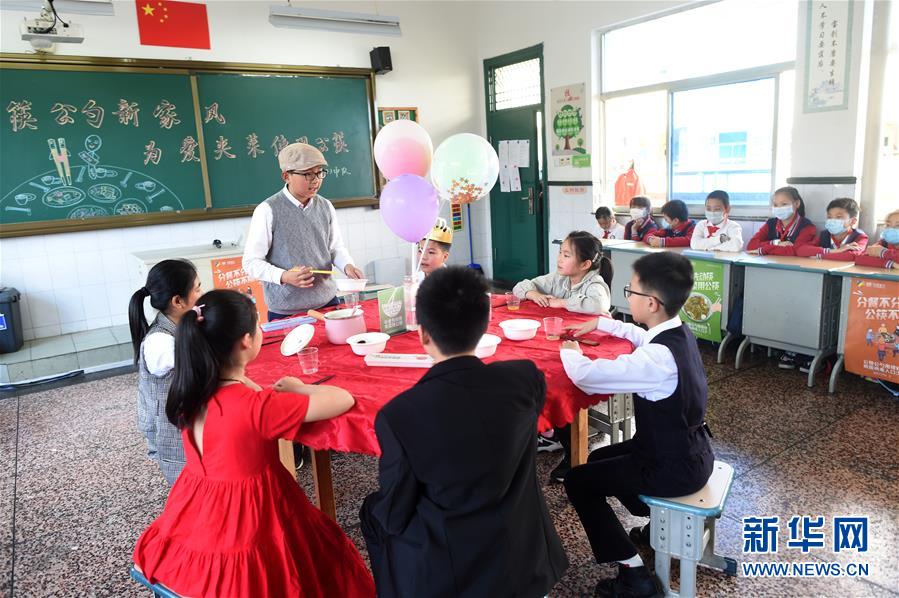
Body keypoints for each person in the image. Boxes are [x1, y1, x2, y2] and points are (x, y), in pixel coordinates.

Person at [132, 290, 375, 597]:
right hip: (253, 516)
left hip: (198, 509)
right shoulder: (257, 407)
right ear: (247, 341)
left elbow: (236, 397)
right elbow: (343, 399)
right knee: (314, 562)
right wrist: (300, 388)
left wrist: (246, 381)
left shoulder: (190, 392)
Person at [359, 267, 569, 598]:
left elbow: (395, 514)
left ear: (423, 334)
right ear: (485, 324)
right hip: (527, 558)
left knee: (373, 513)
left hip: (454, 575)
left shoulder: (400, 415)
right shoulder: (524, 378)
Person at [559, 252, 714, 598]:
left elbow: (586, 377)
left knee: (577, 481)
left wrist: (570, 350)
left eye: (631, 291)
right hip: (692, 451)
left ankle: (634, 574)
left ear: (652, 303)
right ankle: (656, 522)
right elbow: (642, 336)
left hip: (672, 468)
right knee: (599, 459)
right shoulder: (677, 333)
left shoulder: (656, 359)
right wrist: (601, 324)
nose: (627, 297)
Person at [242, 142, 365, 321]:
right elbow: (251, 262)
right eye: (308, 174)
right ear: (286, 176)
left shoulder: (325, 206)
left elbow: (335, 248)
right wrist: (284, 276)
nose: (316, 180)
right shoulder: (267, 210)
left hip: (328, 302)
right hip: (286, 310)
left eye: (319, 173)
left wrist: (348, 266)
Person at [128, 259, 201, 485]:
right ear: (178, 301)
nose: (202, 294)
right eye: (197, 289)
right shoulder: (159, 342)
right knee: (189, 488)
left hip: (184, 424)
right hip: (173, 436)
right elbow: (202, 363)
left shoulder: (180, 323)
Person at [512, 231, 613, 315]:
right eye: (560, 253)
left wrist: (561, 303)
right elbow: (519, 287)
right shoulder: (558, 278)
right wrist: (534, 294)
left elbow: (600, 306)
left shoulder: (594, 284)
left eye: (566, 255)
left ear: (585, 264)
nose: (559, 259)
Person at [746, 186, 816, 256]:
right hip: (771, 261)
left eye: (784, 204)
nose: (779, 208)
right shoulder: (771, 223)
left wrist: (763, 250)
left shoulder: (807, 227)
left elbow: (796, 251)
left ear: (797, 204)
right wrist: (776, 243)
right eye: (775, 205)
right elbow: (751, 246)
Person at [796, 197, 868, 261]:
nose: (832, 220)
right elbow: (801, 250)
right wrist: (835, 251)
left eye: (839, 217)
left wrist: (818, 256)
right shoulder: (824, 235)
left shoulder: (860, 237)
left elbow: (851, 256)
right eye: (829, 217)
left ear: (852, 221)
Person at [414, 217, 453, 282]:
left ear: (445, 257)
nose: (423, 257)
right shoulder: (416, 278)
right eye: (420, 251)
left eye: (431, 252)